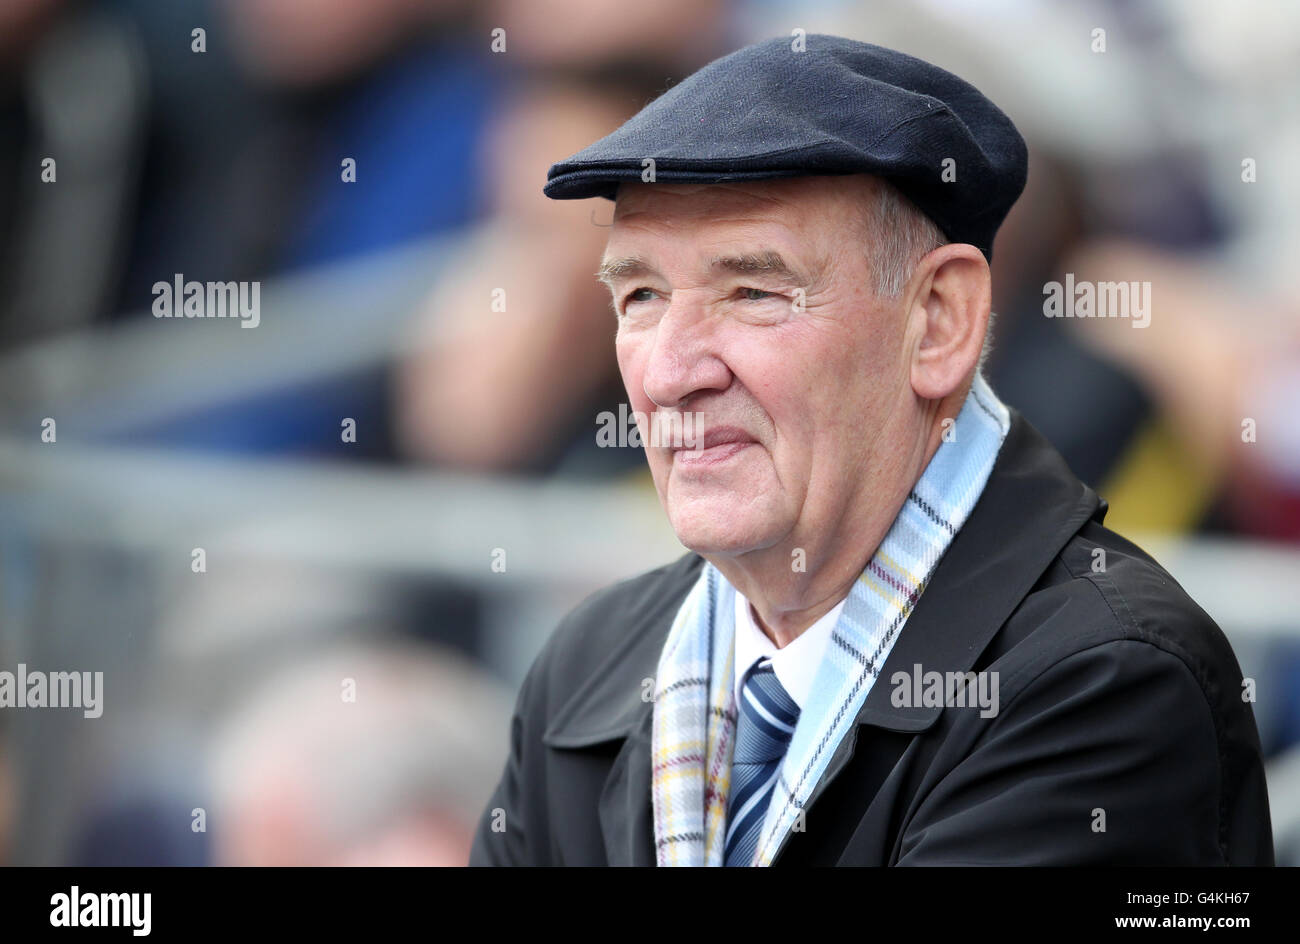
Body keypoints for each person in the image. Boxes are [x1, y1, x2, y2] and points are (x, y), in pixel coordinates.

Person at [469, 34, 1273, 866]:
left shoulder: (1106, 682)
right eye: (640, 295)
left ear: (939, 322)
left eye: (752, 291)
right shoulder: (588, 662)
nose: (669, 372)